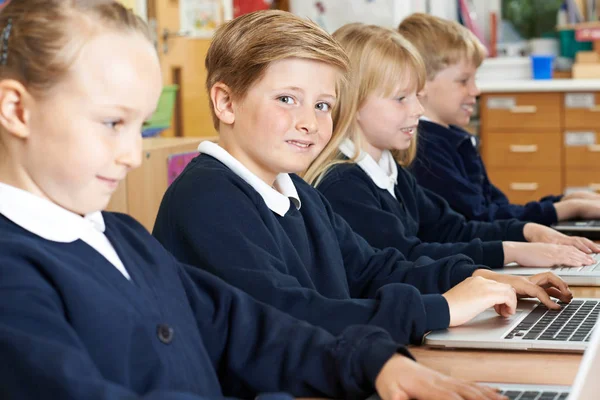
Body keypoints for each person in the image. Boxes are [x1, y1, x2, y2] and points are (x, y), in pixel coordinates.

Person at [0, 2, 507, 399]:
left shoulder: (120, 237)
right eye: (113, 123)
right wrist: (432, 310)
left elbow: (245, 326)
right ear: (16, 108)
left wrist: (373, 363)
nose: (133, 155)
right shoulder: (14, 272)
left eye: (139, 126)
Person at [153, 9, 572, 350]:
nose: (310, 123)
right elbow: (291, 316)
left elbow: (373, 268)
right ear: (226, 102)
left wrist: (478, 279)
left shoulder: (295, 191)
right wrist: (440, 308)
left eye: (322, 105)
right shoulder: (207, 198)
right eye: (286, 99)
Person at [306, 22, 598, 270]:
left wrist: (527, 232)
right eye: (401, 98)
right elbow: (405, 259)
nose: (419, 110)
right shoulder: (343, 183)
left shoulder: (391, 172)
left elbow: (452, 228)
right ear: (354, 101)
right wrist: (512, 252)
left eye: (417, 96)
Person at [399, 13, 600, 226]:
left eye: (475, 79)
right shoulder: (425, 151)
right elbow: (481, 220)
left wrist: (564, 202)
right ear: (421, 84)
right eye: (463, 81)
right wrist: (565, 209)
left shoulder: (455, 139)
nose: (475, 90)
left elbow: (496, 209)